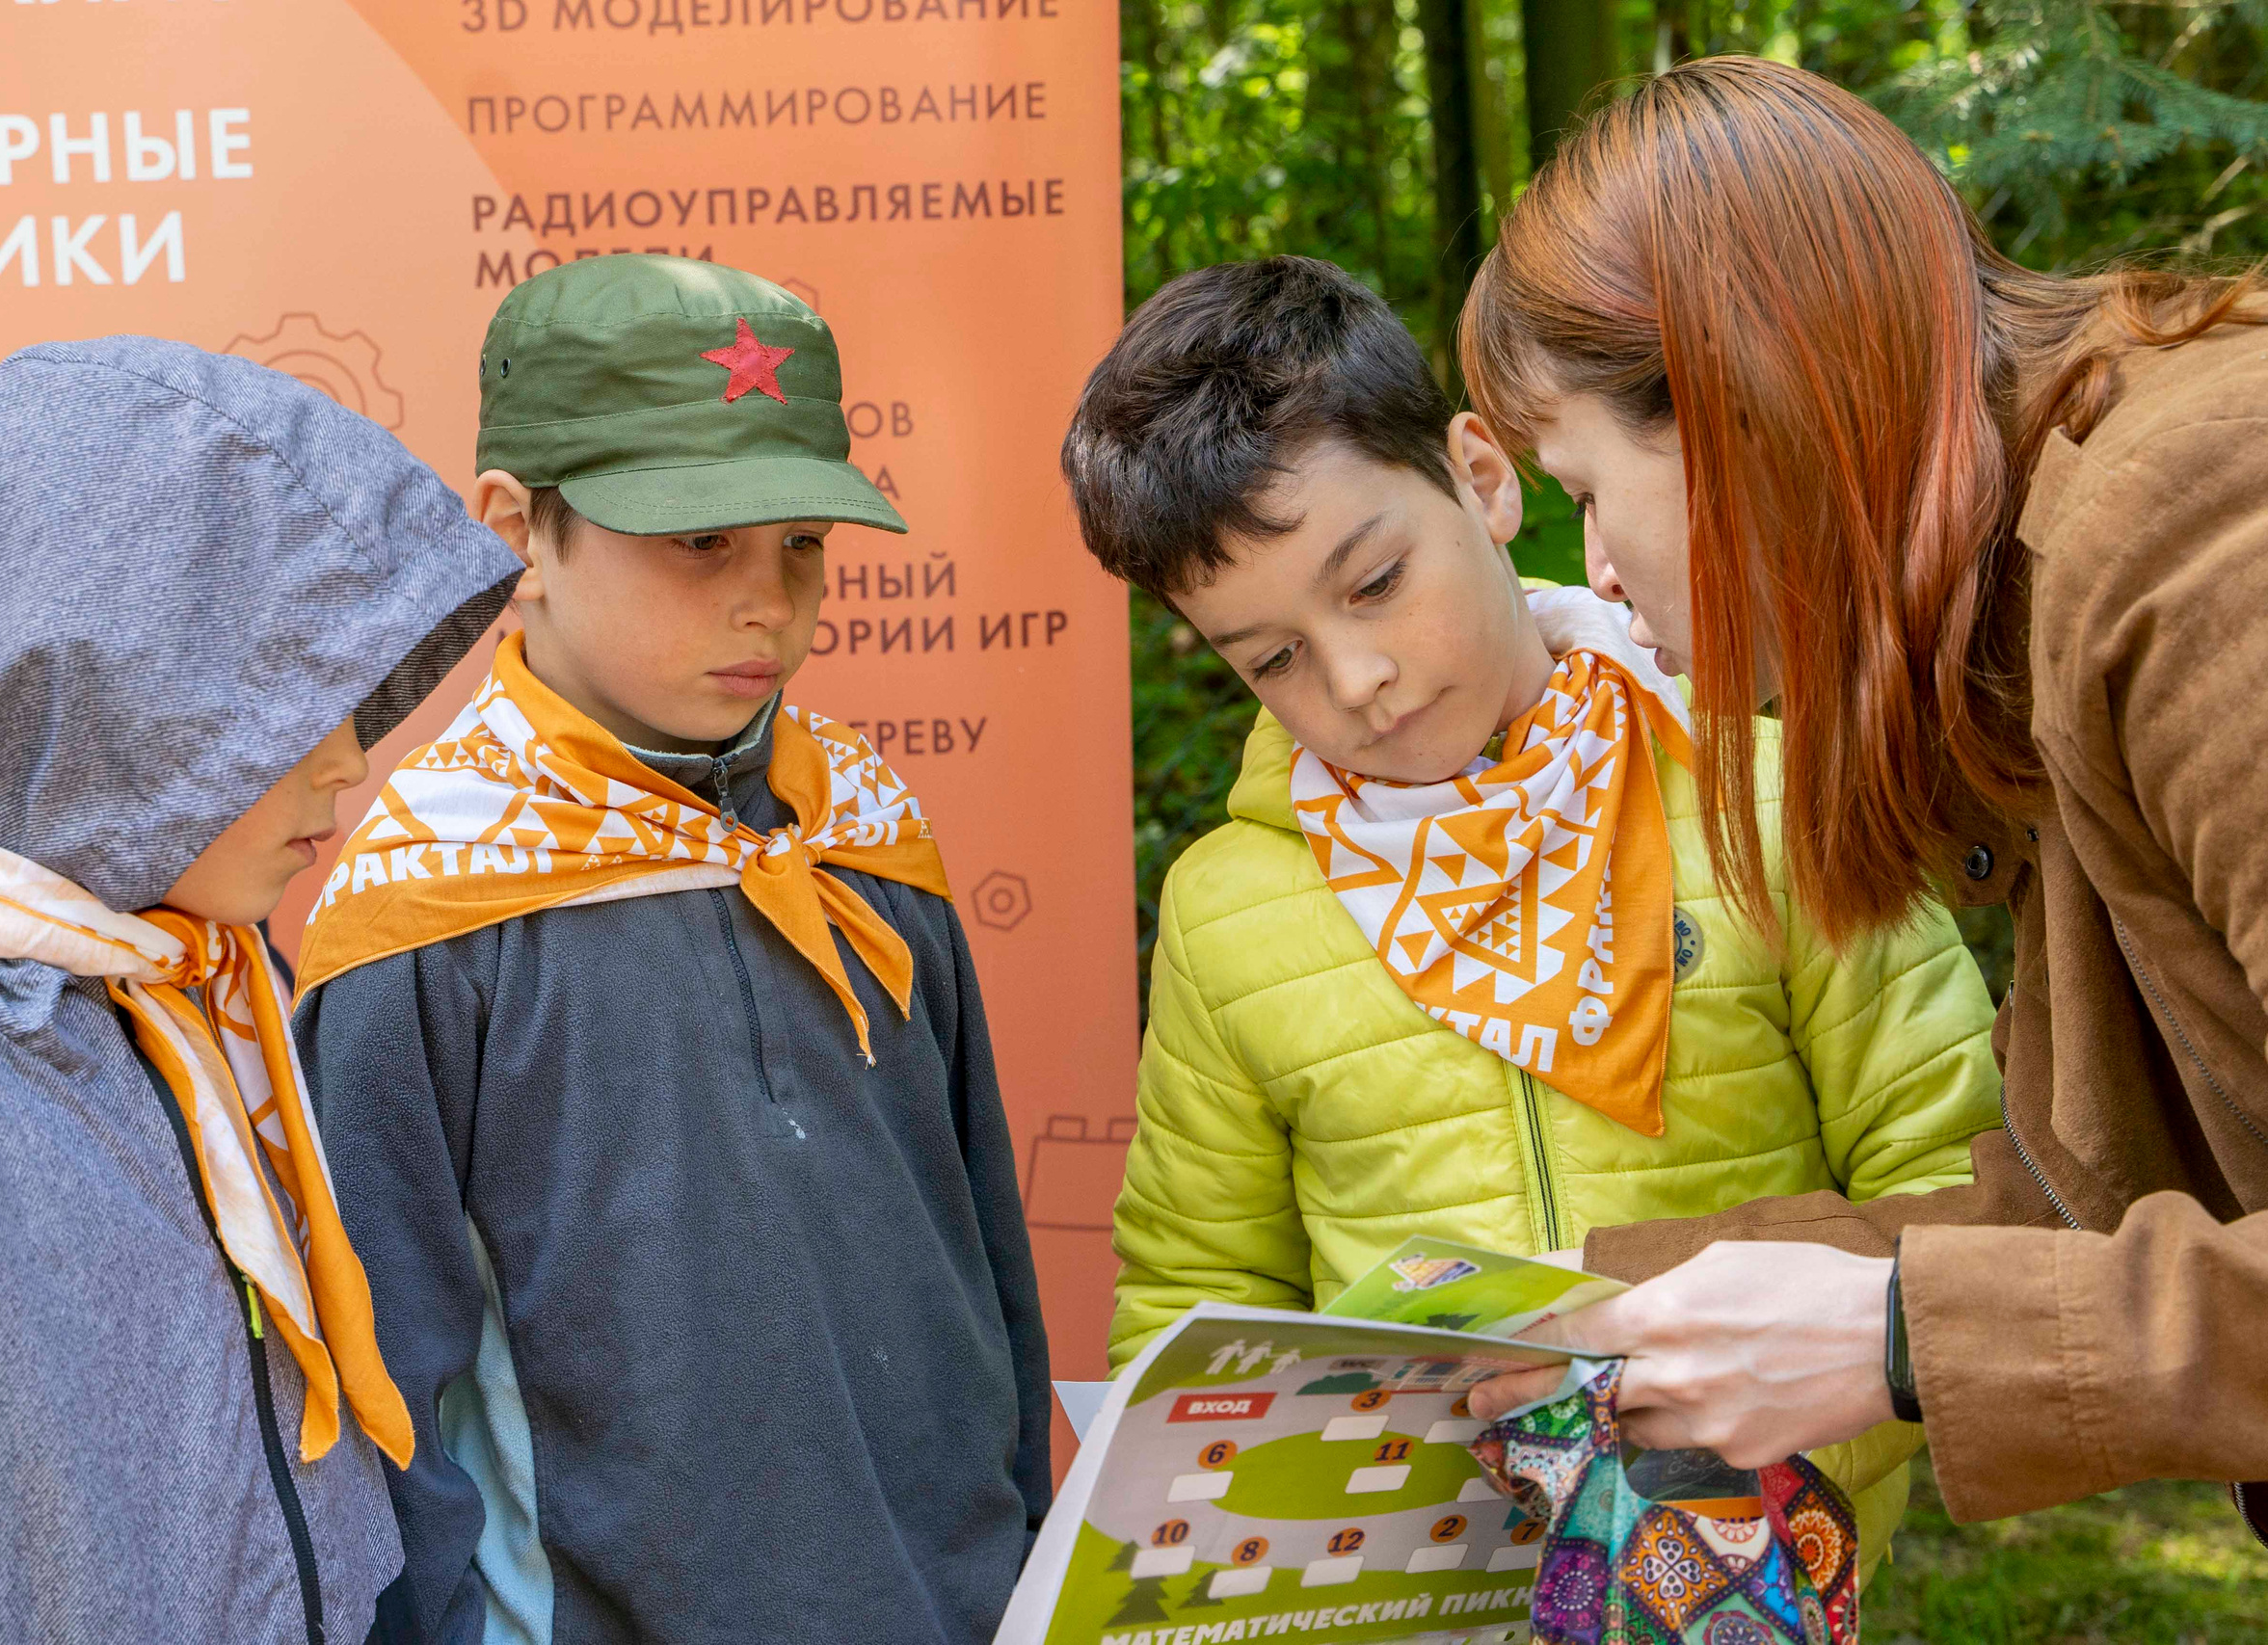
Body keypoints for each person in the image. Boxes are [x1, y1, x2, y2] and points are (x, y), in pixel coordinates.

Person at [1057, 254, 2008, 1579]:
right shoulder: (1231, 912)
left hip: (1753, 1560)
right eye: (1270, 659)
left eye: (1376, 580)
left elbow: (1952, 1184)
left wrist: (1775, 1479)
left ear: (1485, 479)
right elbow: (1197, 1299)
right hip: (1410, 1586)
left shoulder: (1767, 793)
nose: (1360, 678)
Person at [1452, 56, 2268, 1541]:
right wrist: (1606, 1315)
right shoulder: (2029, 594)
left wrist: (1897, 1336)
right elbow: (2109, 1205)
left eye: (1583, 486)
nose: (1602, 577)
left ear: (1740, 408)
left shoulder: (2195, 535)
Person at [291, 254, 1051, 1645]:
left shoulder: (868, 836)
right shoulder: (422, 916)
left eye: (801, 545)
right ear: (518, 531)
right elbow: (383, 1395)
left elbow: (987, 1262)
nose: (770, 601)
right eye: (700, 542)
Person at [0, 337, 520, 1641]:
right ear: (101, 701)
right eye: (274, 697)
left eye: (343, 692)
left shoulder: (214, 994)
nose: (349, 760)